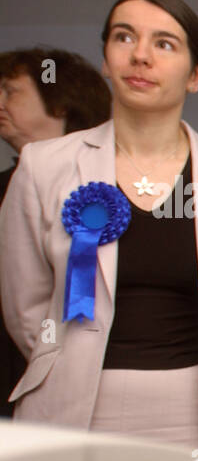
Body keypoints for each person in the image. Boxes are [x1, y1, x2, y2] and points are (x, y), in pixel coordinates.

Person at [0, 0, 198, 461]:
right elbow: (24, 305)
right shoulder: (42, 166)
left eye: (164, 43)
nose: (140, 55)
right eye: (124, 37)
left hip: (195, 422)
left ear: (196, 76)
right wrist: (69, 368)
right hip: (67, 417)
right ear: (106, 60)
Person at [0, 47, 112, 417]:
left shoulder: (104, 191)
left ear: (61, 102)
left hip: (66, 387)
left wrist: (54, 363)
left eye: (10, 90)